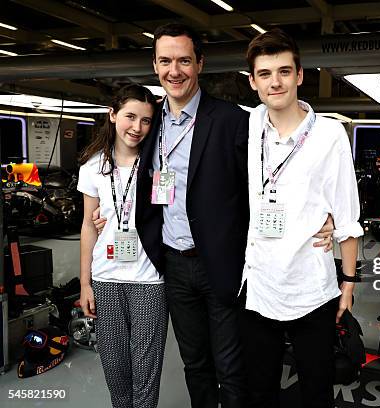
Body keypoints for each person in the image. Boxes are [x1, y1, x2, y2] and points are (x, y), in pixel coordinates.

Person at [94, 23, 333, 408]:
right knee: (195, 364)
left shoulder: (232, 120)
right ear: (155, 65)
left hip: (221, 264)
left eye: (184, 61)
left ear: (199, 64)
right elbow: (122, 162)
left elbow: (272, 173)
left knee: (230, 367)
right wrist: (107, 210)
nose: (175, 71)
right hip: (171, 263)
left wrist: (327, 216)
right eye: (166, 61)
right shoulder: (150, 121)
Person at [241, 29, 363, 408]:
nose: (274, 82)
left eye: (283, 71)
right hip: (258, 286)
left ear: (300, 75)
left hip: (312, 287)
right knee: (259, 389)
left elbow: (346, 214)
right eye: (265, 74)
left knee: (316, 389)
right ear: (253, 82)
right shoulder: (244, 127)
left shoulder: (329, 134)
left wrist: (348, 282)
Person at [78, 84, 167, 408]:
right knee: (115, 368)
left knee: (146, 371)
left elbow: (168, 214)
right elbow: (88, 225)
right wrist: (85, 282)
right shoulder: (93, 167)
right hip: (106, 279)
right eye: (130, 116)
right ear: (113, 115)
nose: (137, 127)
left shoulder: (159, 166)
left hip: (149, 281)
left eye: (146, 120)